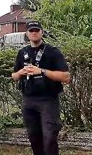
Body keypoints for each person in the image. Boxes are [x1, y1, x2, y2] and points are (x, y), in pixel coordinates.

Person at [12, 21, 70, 155]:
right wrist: (21, 73)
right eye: (31, 31)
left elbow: (66, 77)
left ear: (42, 32)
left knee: (49, 137)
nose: (34, 33)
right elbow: (14, 76)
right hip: (28, 99)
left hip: (48, 100)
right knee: (33, 137)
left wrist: (42, 71)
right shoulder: (22, 53)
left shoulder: (53, 52)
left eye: (37, 30)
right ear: (27, 34)